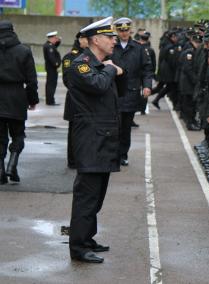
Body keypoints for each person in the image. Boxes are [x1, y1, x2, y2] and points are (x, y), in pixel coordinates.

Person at [68, 17, 124, 263]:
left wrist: (110, 68)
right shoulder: (80, 65)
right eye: (109, 36)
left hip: (104, 140)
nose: (114, 40)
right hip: (91, 140)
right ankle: (78, 247)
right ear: (95, 39)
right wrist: (111, 69)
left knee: (97, 195)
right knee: (86, 197)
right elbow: (99, 85)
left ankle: (87, 238)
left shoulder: (99, 64)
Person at [0, 20, 38, 184]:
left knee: (0, 137)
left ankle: (2, 172)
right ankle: (12, 164)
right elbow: (31, 80)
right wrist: (32, 100)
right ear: (13, 31)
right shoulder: (24, 51)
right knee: (18, 134)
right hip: (17, 97)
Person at [112, 17, 154, 166]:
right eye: (121, 30)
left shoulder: (138, 48)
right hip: (113, 92)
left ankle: (123, 154)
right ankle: (112, 154)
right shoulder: (112, 46)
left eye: (126, 30)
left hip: (130, 92)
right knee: (112, 126)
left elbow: (147, 69)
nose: (124, 33)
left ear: (130, 30)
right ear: (117, 31)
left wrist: (147, 85)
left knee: (125, 127)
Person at [62, 32, 88, 169]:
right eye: (84, 38)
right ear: (79, 39)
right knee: (74, 132)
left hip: (89, 101)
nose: (87, 40)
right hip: (75, 99)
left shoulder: (91, 55)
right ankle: (72, 160)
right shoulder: (70, 57)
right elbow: (67, 80)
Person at [43, 30, 61, 105]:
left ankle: (50, 100)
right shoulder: (49, 46)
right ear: (51, 38)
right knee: (51, 84)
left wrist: (59, 41)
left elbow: (56, 46)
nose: (56, 39)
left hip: (51, 68)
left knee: (51, 84)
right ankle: (50, 101)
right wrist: (56, 65)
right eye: (55, 38)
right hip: (51, 68)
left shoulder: (50, 45)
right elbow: (52, 58)